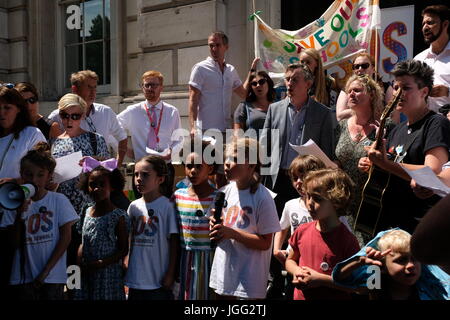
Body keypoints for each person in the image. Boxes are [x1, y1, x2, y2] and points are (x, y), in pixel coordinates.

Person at [359, 60, 450, 234]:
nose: (398, 93)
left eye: (406, 88)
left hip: (418, 227)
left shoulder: (435, 124)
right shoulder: (396, 129)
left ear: (424, 92)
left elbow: (432, 173)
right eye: (395, 87)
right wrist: (373, 165)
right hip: (390, 224)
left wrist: (385, 163)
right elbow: (391, 168)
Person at [0, 143, 78, 300]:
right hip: (23, 278)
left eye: (40, 175)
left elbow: (66, 238)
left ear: (49, 176)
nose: (34, 180)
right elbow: (13, 243)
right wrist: (19, 215)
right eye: (29, 175)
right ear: (21, 174)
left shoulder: (58, 200)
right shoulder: (14, 203)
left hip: (52, 277)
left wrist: (46, 271)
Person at [209, 137, 281, 299]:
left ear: (251, 165)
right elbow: (218, 225)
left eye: (234, 159)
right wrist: (214, 225)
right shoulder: (224, 192)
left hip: (248, 282)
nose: (227, 164)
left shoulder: (263, 197)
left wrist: (232, 233)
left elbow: (265, 243)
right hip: (224, 276)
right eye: (227, 158)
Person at [260, 63, 334, 217]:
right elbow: (264, 146)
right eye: (287, 79)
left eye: (295, 80)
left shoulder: (323, 113)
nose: (289, 84)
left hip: (306, 181)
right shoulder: (274, 109)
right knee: (276, 224)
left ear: (308, 84)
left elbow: (326, 152)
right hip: (277, 179)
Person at [50, 93, 110, 269]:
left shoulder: (95, 138)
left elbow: (111, 169)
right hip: (63, 211)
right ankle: (72, 292)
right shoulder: (54, 142)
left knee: (88, 257)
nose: (69, 120)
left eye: (75, 116)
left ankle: (84, 291)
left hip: (89, 209)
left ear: (83, 115)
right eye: (64, 116)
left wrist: (93, 163)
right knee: (68, 261)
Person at [285, 168, 360, 300]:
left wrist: (321, 279)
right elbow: (290, 260)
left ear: (337, 201)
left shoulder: (347, 241)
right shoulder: (302, 231)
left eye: (317, 199)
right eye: (308, 196)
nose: (309, 203)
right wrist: (297, 271)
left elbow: (357, 285)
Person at [334, 75, 395, 225]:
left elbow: (393, 162)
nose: (351, 94)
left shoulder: (386, 126)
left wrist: (374, 164)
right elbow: (336, 159)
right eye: (349, 91)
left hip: (369, 203)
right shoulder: (341, 125)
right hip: (341, 201)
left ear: (372, 94)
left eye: (357, 90)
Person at [117, 70, 183, 198]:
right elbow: (112, 129)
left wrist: (172, 152)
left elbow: (179, 139)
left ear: (161, 88)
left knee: (163, 206)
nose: (149, 88)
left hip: (164, 167)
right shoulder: (133, 111)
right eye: (146, 85)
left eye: (153, 85)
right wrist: (124, 149)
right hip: (142, 169)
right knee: (142, 207)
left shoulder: (172, 112)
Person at [333, 229, 450, 300]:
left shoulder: (429, 289)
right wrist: (360, 262)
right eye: (401, 260)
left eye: (415, 259)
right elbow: (340, 278)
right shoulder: (377, 285)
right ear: (383, 267)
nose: (410, 265)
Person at [124, 156, 179, 300]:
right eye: (136, 174)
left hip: (158, 280)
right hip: (135, 278)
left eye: (145, 175)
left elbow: (174, 242)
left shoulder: (168, 206)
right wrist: (126, 258)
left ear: (160, 179)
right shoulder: (133, 206)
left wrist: (170, 273)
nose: (139, 179)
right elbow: (129, 236)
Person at [48, 70, 128, 166]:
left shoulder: (106, 112)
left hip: (95, 176)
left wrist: (117, 165)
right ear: (75, 89)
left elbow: (122, 138)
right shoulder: (57, 116)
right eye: (89, 87)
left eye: (95, 87)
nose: (93, 92)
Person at [75, 163, 130, 300]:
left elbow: (123, 249)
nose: (96, 188)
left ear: (112, 186)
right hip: (87, 273)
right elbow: (82, 241)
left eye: (102, 184)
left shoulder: (118, 216)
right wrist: (79, 263)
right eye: (92, 184)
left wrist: (100, 263)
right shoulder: (86, 211)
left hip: (108, 275)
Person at [173, 139, 218, 300]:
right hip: (184, 260)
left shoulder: (218, 197)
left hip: (209, 261)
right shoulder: (178, 197)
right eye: (189, 166)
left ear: (210, 168)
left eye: (199, 167)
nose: (193, 171)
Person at [188, 31, 248, 137]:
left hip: (227, 130)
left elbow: (243, 94)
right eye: (211, 45)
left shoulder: (231, 70)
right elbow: (193, 99)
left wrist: (252, 72)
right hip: (206, 131)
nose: (214, 49)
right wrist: (193, 127)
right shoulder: (200, 68)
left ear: (226, 47)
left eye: (218, 45)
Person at [0, 83, 46, 180]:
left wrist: (13, 183)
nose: (1, 113)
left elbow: (43, 174)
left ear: (19, 109)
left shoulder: (32, 134)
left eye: (7, 107)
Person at [336, 52, 395, 122]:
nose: (360, 69)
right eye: (356, 66)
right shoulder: (347, 88)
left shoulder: (386, 87)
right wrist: (362, 110)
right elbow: (340, 116)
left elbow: (393, 115)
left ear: (373, 68)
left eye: (364, 66)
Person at [414, 5, 450, 113]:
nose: (425, 27)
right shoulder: (418, 60)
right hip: (423, 125)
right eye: (423, 24)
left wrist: (447, 92)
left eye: (430, 23)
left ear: (445, 24)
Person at [233, 70, 275, 137]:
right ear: (251, 87)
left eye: (261, 82)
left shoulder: (277, 107)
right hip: (252, 146)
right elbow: (237, 135)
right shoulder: (244, 106)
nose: (258, 85)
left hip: (274, 147)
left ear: (268, 83)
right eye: (254, 84)